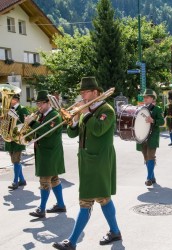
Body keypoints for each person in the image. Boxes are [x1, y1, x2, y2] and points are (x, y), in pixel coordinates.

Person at [53, 77, 121, 250]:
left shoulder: (107, 110)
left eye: (85, 92)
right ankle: (115, 232)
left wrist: (84, 114)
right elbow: (72, 134)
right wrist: (75, 119)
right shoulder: (86, 110)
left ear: (96, 92)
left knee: (86, 200)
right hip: (86, 161)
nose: (82, 96)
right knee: (103, 198)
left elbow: (98, 130)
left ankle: (72, 242)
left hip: (99, 160)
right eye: (81, 92)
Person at [26, 90, 66, 218]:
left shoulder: (54, 115)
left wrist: (32, 122)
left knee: (44, 180)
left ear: (48, 103)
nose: (39, 106)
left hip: (50, 153)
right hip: (45, 152)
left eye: (41, 103)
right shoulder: (42, 116)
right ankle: (60, 205)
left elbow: (46, 132)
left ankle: (41, 209)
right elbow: (38, 132)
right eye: (37, 103)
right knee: (54, 179)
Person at [136, 89, 164, 186]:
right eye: (144, 97)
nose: (145, 99)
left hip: (152, 136)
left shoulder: (157, 109)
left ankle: (148, 178)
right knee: (146, 158)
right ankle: (152, 177)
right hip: (142, 136)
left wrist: (153, 121)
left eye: (147, 97)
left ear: (152, 99)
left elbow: (162, 122)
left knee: (151, 156)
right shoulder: (140, 109)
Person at [5, 94, 29, 190]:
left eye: (11, 98)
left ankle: (15, 181)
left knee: (16, 160)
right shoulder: (7, 109)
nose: (10, 100)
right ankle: (22, 180)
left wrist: (15, 118)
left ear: (16, 100)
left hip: (18, 138)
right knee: (14, 160)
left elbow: (26, 124)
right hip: (9, 138)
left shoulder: (22, 109)